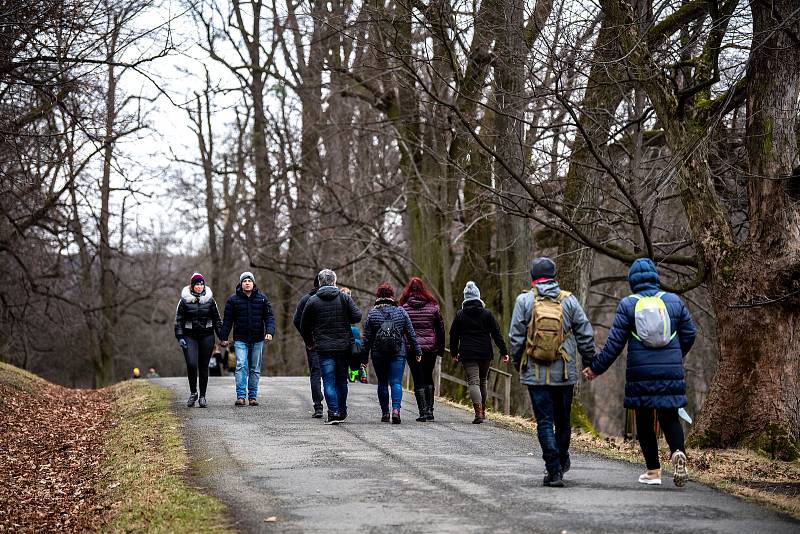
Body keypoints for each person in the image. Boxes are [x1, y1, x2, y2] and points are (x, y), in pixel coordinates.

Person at [583, 258, 696, 487]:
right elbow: (690, 334)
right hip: (670, 372)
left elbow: (614, 344)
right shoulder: (673, 302)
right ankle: (676, 453)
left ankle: (653, 472)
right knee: (669, 416)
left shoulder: (629, 305)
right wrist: (675, 356)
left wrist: (596, 368)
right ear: (655, 277)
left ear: (632, 280)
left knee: (644, 422)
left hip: (640, 374)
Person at [509, 257, 596, 487]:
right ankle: (561, 459)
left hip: (535, 374)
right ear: (554, 276)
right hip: (564, 373)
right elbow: (585, 333)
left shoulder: (525, 300)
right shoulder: (569, 301)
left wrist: (518, 363)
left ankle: (553, 469)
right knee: (563, 421)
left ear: (533, 278)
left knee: (544, 422)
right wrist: (589, 360)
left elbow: (516, 337)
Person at [300, 269, 362, 424]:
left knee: (328, 380)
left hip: (323, 347)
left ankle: (333, 412)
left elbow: (303, 324)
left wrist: (310, 342)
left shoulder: (313, 301)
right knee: (342, 380)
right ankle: (342, 410)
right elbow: (357, 316)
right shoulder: (343, 298)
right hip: (343, 346)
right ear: (334, 281)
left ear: (320, 283)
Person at [450, 281, 509, 425]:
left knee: (473, 382)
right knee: (483, 381)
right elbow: (497, 334)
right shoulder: (487, 314)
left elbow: (453, 335)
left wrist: (454, 353)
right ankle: (483, 411)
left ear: (465, 298)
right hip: (485, 353)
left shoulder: (460, 315)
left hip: (468, 353)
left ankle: (478, 413)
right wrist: (504, 351)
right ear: (478, 297)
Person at [363, 283, 421, 424]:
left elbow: (367, 338)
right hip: (398, 352)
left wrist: (364, 357)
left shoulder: (373, 313)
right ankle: (396, 410)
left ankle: (385, 413)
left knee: (382, 383)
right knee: (396, 382)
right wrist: (417, 351)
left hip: (378, 354)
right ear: (391, 296)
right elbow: (411, 333)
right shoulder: (401, 312)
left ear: (378, 296)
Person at [219, 271, 275, 407]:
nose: (247, 283)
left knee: (255, 368)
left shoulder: (262, 299)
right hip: (240, 339)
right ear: (241, 283)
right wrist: (223, 337)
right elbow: (227, 321)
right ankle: (241, 396)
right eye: (245, 281)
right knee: (241, 366)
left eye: (249, 281)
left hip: (257, 339)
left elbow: (269, 318)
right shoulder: (233, 300)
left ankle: (253, 396)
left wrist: (270, 332)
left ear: (253, 283)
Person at [399, 277, 445, 421]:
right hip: (430, 348)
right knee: (428, 377)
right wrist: (440, 348)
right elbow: (440, 329)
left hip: (412, 348)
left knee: (418, 378)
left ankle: (423, 412)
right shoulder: (433, 306)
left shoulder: (404, 307)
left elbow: (400, 329)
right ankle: (430, 411)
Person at [175, 272, 222, 408]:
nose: (200, 286)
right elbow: (178, 321)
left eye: (202, 284)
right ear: (192, 286)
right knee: (191, 364)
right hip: (189, 337)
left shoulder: (210, 300)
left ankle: (202, 396)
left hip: (207, 336)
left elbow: (217, 321)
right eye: (197, 284)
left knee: (203, 366)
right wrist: (180, 337)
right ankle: (193, 393)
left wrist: (222, 337)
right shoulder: (184, 301)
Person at [293, 274, 325, 418]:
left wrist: (308, 337)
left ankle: (318, 406)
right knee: (331, 373)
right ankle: (334, 406)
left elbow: (296, 320)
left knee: (316, 373)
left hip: (313, 342)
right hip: (330, 342)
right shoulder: (338, 297)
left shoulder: (306, 299)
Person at [340, 287, 368, 384]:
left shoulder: (339, 303)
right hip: (347, 331)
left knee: (355, 346)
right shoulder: (348, 304)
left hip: (348, 331)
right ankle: (357, 370)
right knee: (355, 346)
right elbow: (357, 316)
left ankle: (355, 370)